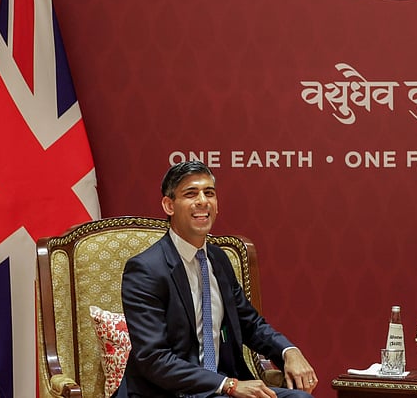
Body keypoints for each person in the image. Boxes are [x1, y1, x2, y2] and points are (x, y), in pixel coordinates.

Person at [118, 161, 317, 398]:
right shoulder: (146, 269)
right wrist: (228, 384)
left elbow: (250, 324)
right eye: (191, 194)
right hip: (170, 392)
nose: (203, 201)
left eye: (209, 193)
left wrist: (288, 351)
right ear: (169, 205)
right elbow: (154, 358)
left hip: (221, 390)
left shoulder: (217, 259)